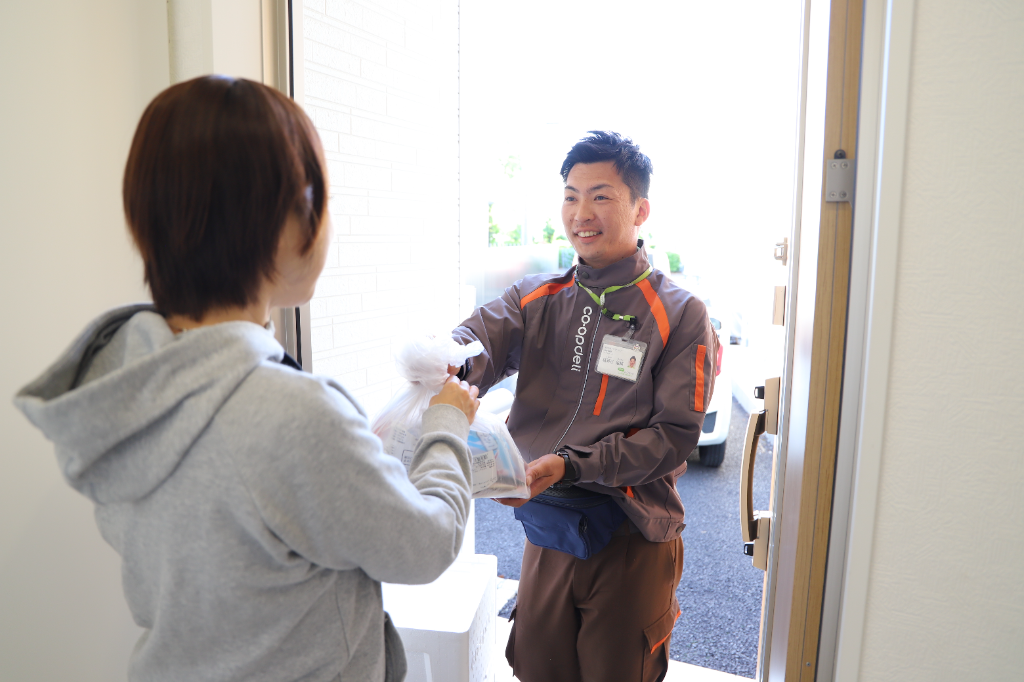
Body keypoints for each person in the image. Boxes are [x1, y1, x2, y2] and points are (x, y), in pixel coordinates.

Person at [14, 76, 479, 682]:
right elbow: (426, 544)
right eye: (321, 201)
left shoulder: (121, 386)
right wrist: (448, 421)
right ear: (287, 226)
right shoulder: (290, 412)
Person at [451, 131, 719, 682]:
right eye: (571, 196)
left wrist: (574, 465)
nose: (581, 213)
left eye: (601, 196)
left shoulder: (681, 313)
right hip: (549, 531)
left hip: (631, 536)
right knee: (537, 667)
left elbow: (673, 436)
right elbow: (475, 342)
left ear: (640, 208)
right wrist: (440, 366)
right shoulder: (537, 297)